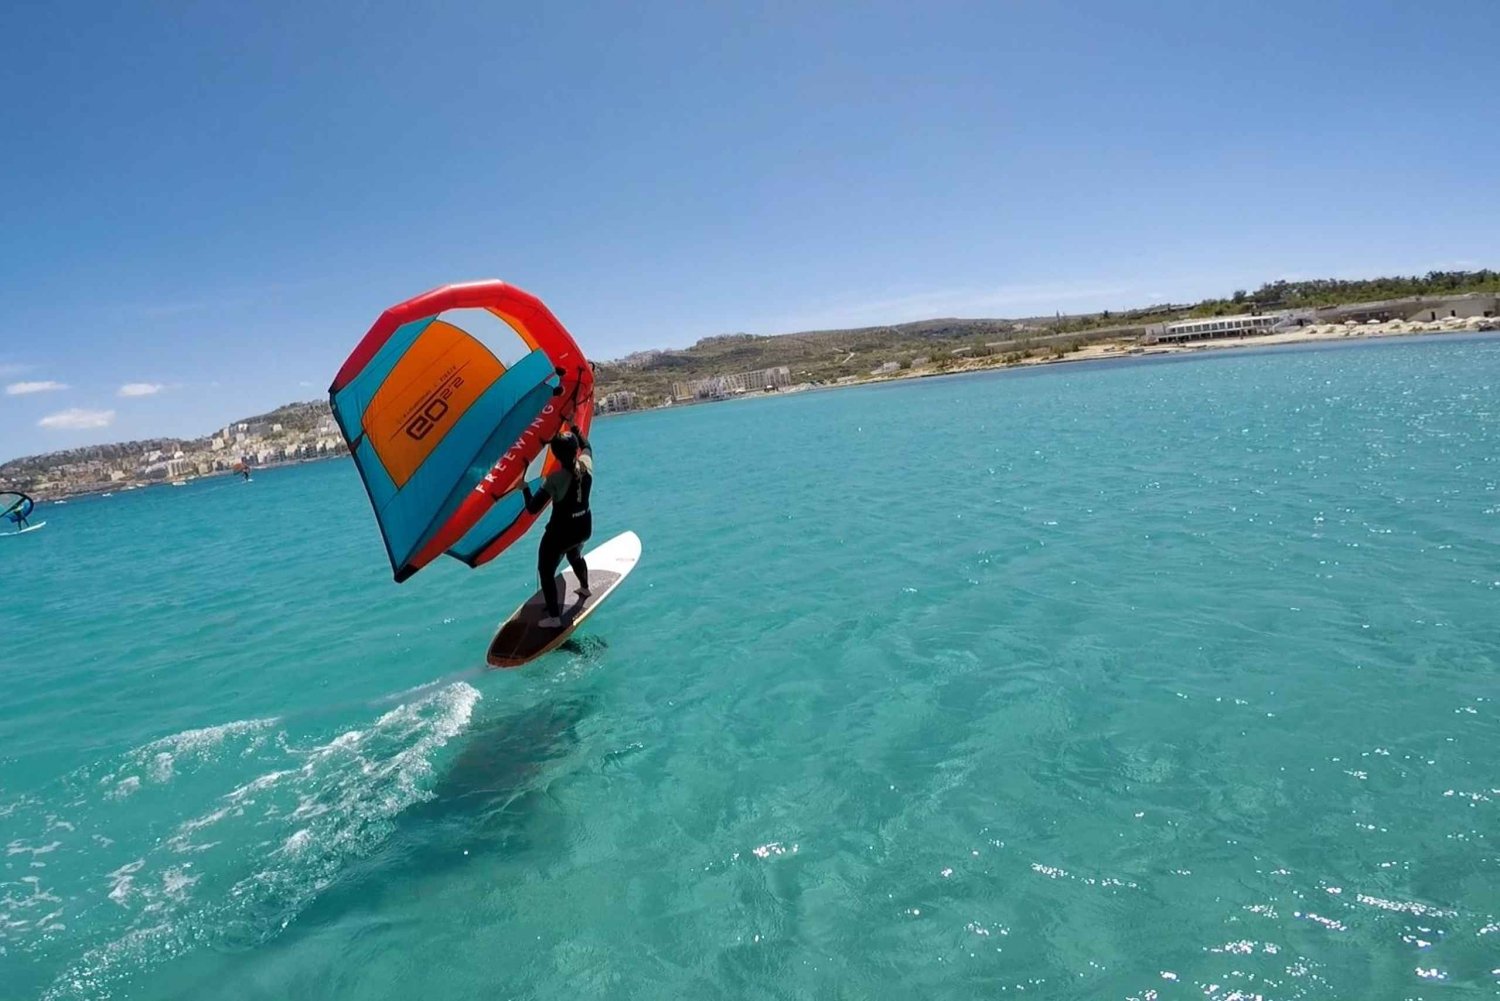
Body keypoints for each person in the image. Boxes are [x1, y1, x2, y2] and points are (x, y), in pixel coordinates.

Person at [521, 424, 593, 628]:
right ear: (575, 451)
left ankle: (554, 618)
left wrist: (524, 488)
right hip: (584, 527)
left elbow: (533, 508)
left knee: (545, 571)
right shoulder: (587, 464)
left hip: (560, 534)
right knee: (575, 555)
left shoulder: (555, 479)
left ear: (555, 455)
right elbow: (587, 445)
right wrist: (573, 425)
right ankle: (585, 588)